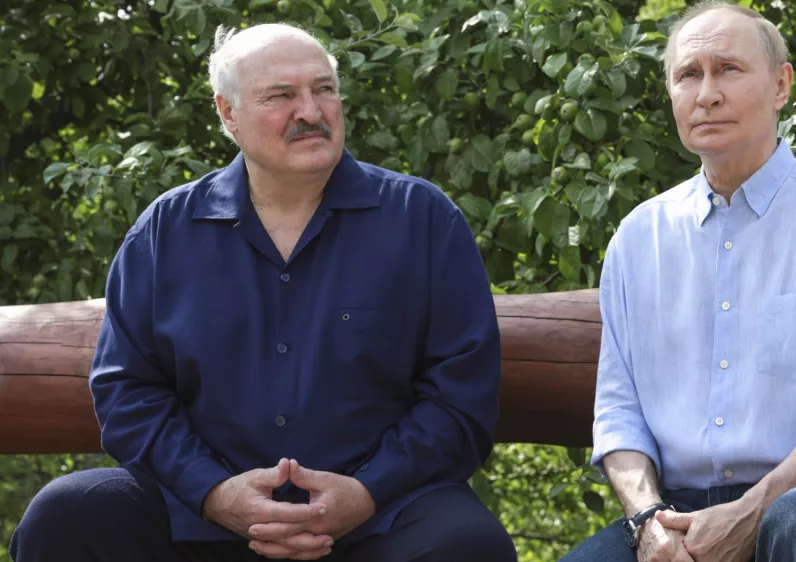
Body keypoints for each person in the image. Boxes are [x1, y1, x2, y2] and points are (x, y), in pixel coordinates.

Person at [10, 22, 516, 562]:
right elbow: (127, 392)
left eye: (323, 89)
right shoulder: (166, 232)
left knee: (469, 546)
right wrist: (213, 492)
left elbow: (459, 397)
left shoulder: (423, 220)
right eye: (281, 96)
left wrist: (365, 492)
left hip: (380, 519)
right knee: (67, 515)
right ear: (228, 113)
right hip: (202, 519)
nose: (312, 112)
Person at [560, 2, 796, 561]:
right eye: (687, 74)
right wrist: (649, 521)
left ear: (780, 85)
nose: (707, 94)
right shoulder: (637, 238)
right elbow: (618, 413)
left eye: (728, 69)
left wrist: (752, 512)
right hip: (675, 511)